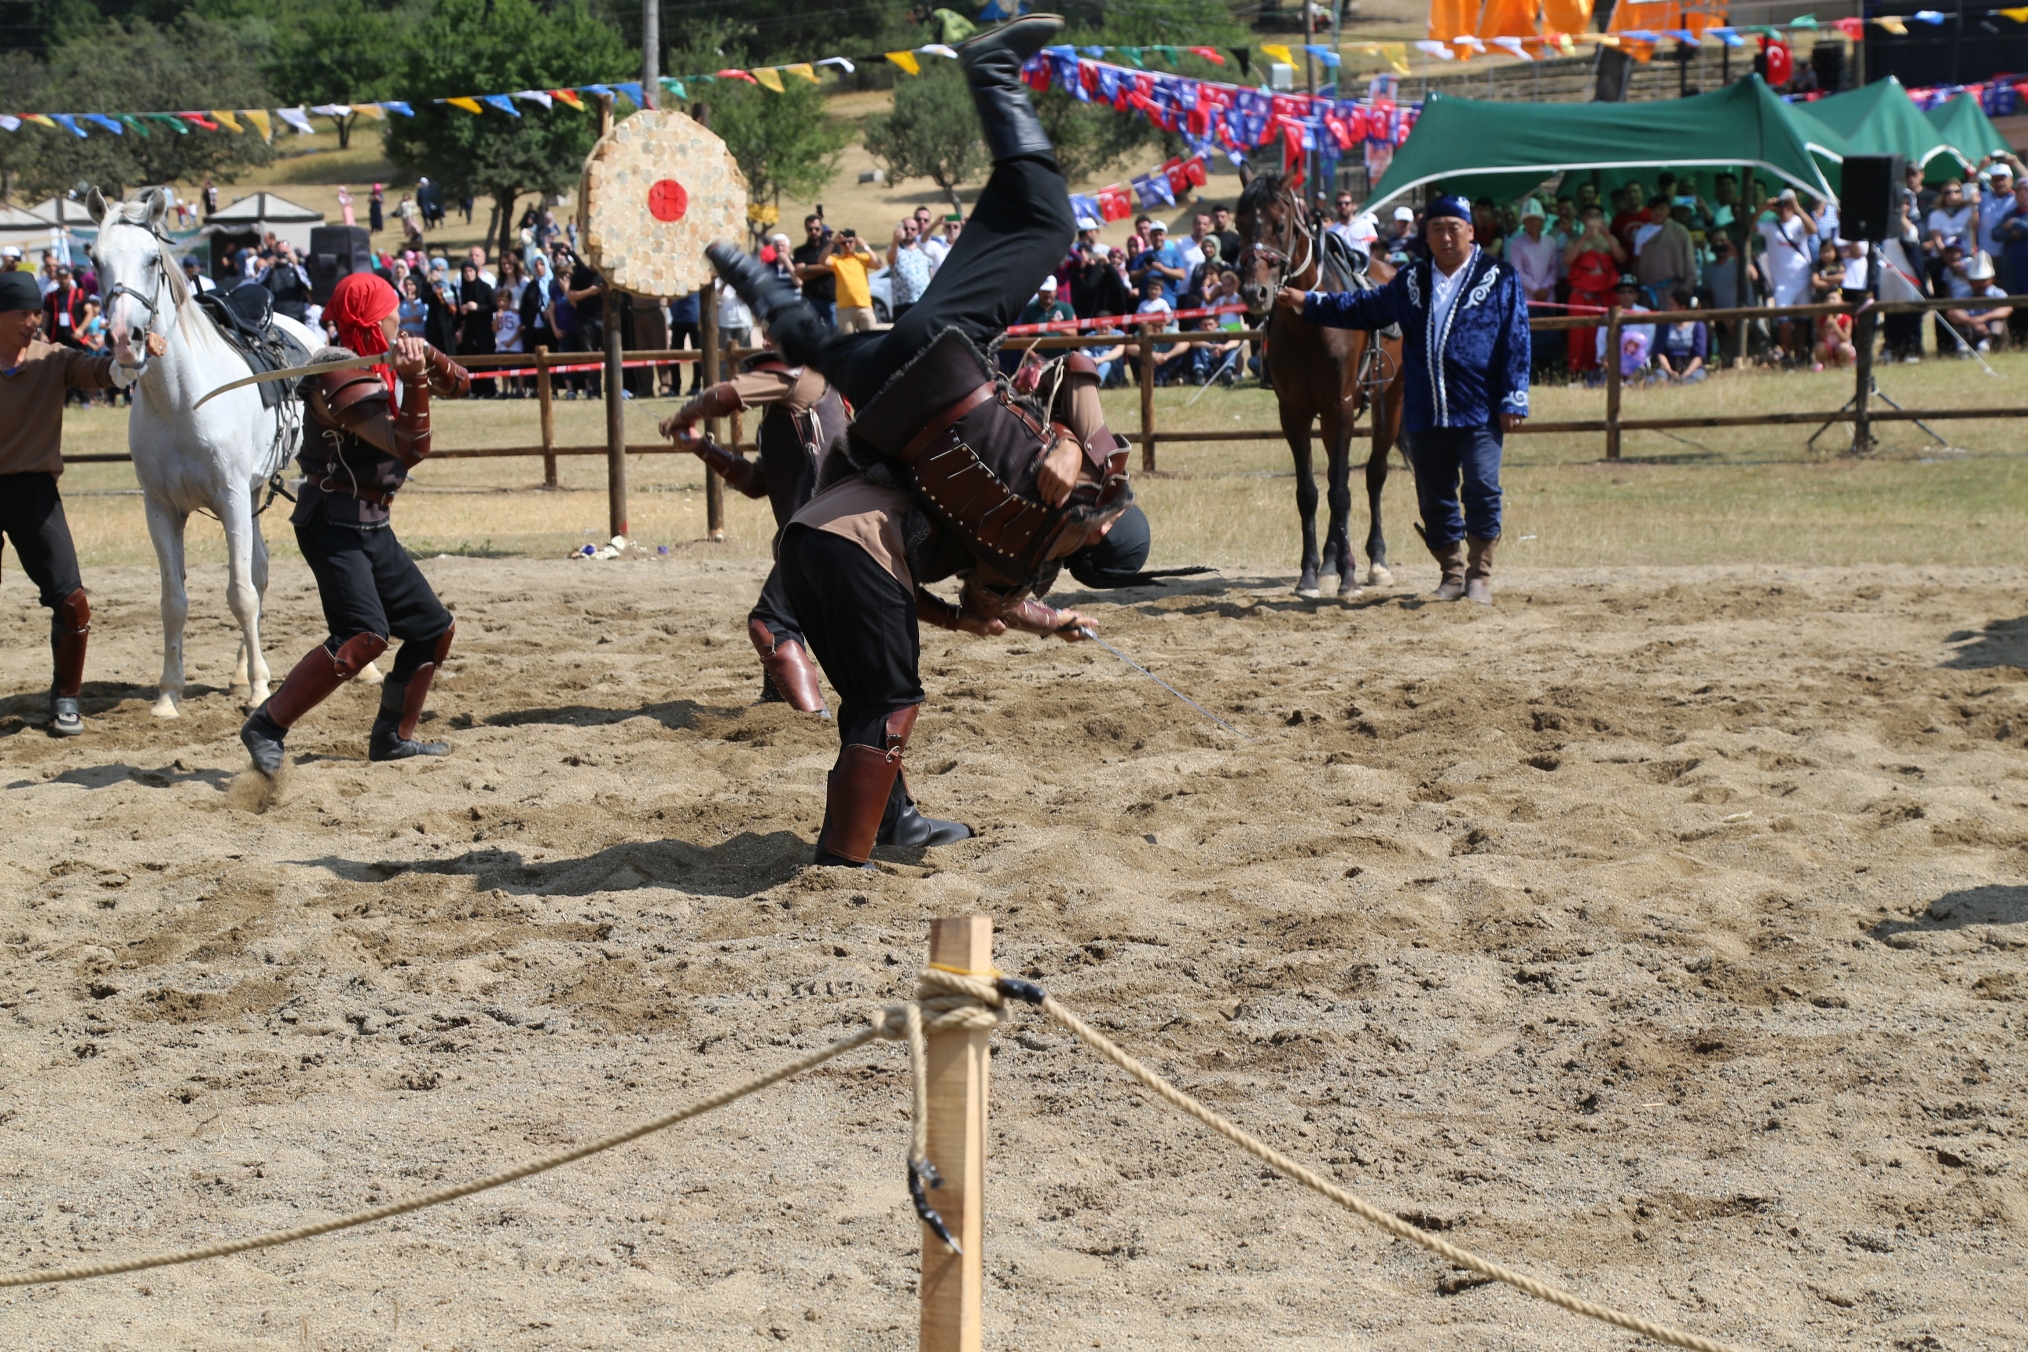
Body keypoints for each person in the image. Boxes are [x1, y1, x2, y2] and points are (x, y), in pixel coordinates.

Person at [703, 14, 1127, 868]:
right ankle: (992, 73)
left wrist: (1042, 619)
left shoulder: (1026, 538)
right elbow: (1078, 444)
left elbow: (985, 597)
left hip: (903, 405)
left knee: (1039, 225)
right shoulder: (1051, 522)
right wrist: (1074, 457)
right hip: (921, 386)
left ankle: (742, 268)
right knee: (1044, 227)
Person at [239, 271, 472, 777]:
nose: (399, 322)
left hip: (371, 524)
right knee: (363, 634)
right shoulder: (338, 373)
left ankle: (392, 739)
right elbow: (409, 447)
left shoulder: (377, 363)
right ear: (371, 320)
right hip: (332, 523)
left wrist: (428, 358)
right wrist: (415, 379)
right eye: (392, 314)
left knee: (433, 629)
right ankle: (267, 726)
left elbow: (463, 383)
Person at [1278, 192, 1530, 605]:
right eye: (1436, 229)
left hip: (1480, 406)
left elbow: (1516, 339)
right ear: (1425, 235)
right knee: (1434, 493)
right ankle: (1451, 573)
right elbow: (1362, 306)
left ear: (1470, 231)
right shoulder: (1412, 279)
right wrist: (1310, 302)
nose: (1445, 237)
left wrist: (1514, 399)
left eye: (1453, 228)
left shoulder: (1499, 277)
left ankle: (1479, 575)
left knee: (1482, 488)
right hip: (1425, 406)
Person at [1, 273, 164, 735]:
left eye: (37, 313)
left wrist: (133, 355)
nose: (33, 322)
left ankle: (66, 700)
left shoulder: (54, 358)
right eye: (22, 313)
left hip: (33, 492)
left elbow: (105, 373)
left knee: (72, 603)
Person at [658, 353, 849, 714]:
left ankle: (809, 717)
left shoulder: (800, 376)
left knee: (771, 621)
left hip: (823, 532)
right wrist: (701, 446)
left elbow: (723, 397)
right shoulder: (800, 406)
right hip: (830, 533)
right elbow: (754, 481)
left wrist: (682, 416)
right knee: (791, 615)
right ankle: (777, 702)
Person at [1758, 190, 1818, 361]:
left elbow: (1813, 229)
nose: (1784, 207)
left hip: (1803, 278)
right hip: (1782, 283)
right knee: (1783, 321)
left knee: (1802, 321)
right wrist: (1764, 208)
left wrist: (1797, 209)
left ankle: (1799, 356)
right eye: (1781, 203)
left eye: (1787, 203)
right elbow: (1750, 227)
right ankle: (1786, 356)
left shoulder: (1799, 222)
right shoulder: (1770, 225)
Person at [1563, 205, 1624, 374]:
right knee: (1578, 334)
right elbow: (1567, 260)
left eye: (1597, 215)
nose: (1594, 219)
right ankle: (1577, 370)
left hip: (1605, 292)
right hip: (1581, 294)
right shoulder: (1574, 240)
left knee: (1605, 331)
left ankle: (1606, 369)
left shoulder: (1610, 239)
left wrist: (1608, 236)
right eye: (1589, 216)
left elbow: (1622, 258)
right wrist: (1584, 237)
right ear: (1583, 219)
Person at [1943, 250, 2013, 351]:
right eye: (1976, 281)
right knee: (1959, 319)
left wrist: (1983, 318)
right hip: (1971, 331)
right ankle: (1963, 347)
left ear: (1992, 280)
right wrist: (1971, 321)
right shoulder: (1964, 294)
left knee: (1998, 320)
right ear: (1970, 282)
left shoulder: (1998, 293)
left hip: (1993, 333)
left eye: (1983, 281)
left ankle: (1987, 343)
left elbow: (2007, 308)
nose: (1980, 284)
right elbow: (1951, 313)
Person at [814, 230, 878, 333]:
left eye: (850, 242)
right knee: (847, 340)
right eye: (843, 243)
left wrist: (864, 246)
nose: (847, 245)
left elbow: (877, 264)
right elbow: (822, 260)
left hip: (864, 306)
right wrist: (833, 242)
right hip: (844, 309)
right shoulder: (837, 259)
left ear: (855, 242)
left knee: (869, 338)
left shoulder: (862, 258)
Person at [790, 215, 837, 327]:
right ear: (806, 230)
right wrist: (824, 268)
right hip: (810, 300)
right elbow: (800, 274)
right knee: (811, 334)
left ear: (822, 228)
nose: (814, 232)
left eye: (817, 229)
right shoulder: (800, 251)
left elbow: (833, 267)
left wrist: (807, 268)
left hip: (831, 300)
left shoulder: (832, 247)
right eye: (810, 229)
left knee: (835, 334)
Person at [1653, 294, 1709, 382]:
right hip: (1669, 367)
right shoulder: (1664, 325)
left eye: (1672, 305)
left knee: (1696, 378)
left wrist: (1685, 375)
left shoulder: (1698, 325)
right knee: (1659, 377)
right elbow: (1660, 352)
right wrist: (1670, 371)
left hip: (1691, 368)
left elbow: (1699, 356)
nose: (1668, 308)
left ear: (1683, 308)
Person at [887, 217, 932, 322]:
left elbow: (931, 273)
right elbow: (891, 259)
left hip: (922, 303)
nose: (909, 231)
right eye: (906, 228)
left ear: (917, 231)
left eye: (913, 229)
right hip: (902, 304)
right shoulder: (894, 248)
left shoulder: (923, 250)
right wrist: (895, 240)